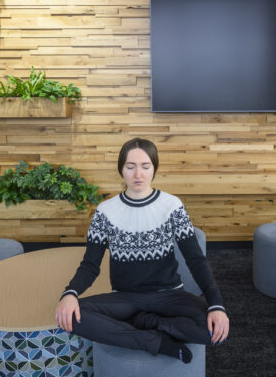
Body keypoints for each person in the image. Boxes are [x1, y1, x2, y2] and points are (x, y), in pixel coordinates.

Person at [55, 137, 229, 363]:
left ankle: (147, 323)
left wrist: (216, 304)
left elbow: (196, 260)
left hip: (170, 295)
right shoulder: (105, 212)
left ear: (154, 168)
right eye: (130, 167)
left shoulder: (172, 206)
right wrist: (70, 293)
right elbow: (90, 265)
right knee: (73, 316)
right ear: (121, 169)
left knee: (214, 330)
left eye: (145, 166)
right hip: (125, 298)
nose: (138, 174)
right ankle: (153, 340)